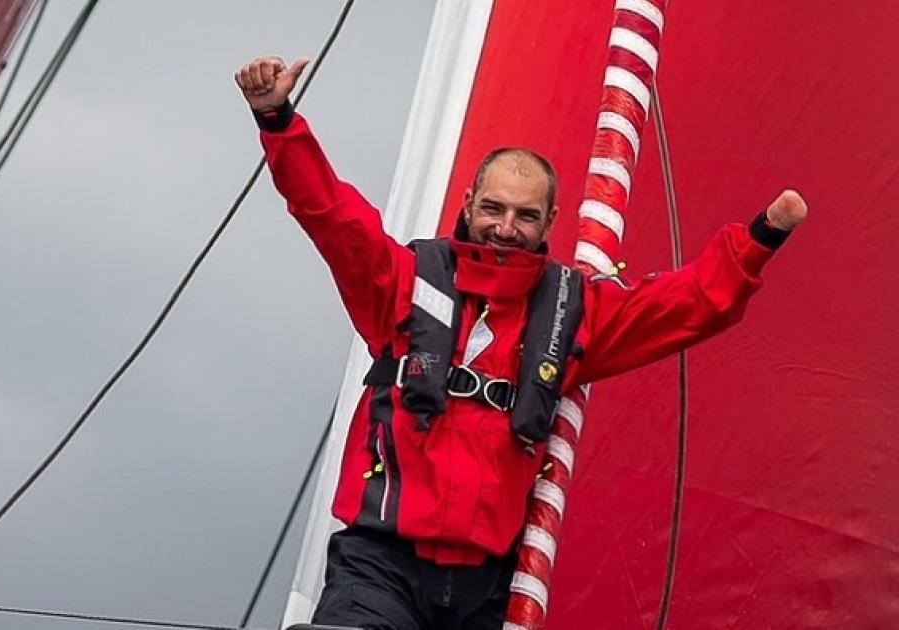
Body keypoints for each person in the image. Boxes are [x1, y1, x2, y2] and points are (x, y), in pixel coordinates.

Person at [234, 56, 807, 630]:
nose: (506, 228)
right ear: (467, 205)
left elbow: (686, 306)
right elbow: (331, 214)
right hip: (381, 569)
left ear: (550, 220)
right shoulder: (402, 284)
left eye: (525, 215)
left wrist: (758, 240)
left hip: (490, 589)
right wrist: (277, 118)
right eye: (493, 209)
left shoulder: (571, 313)